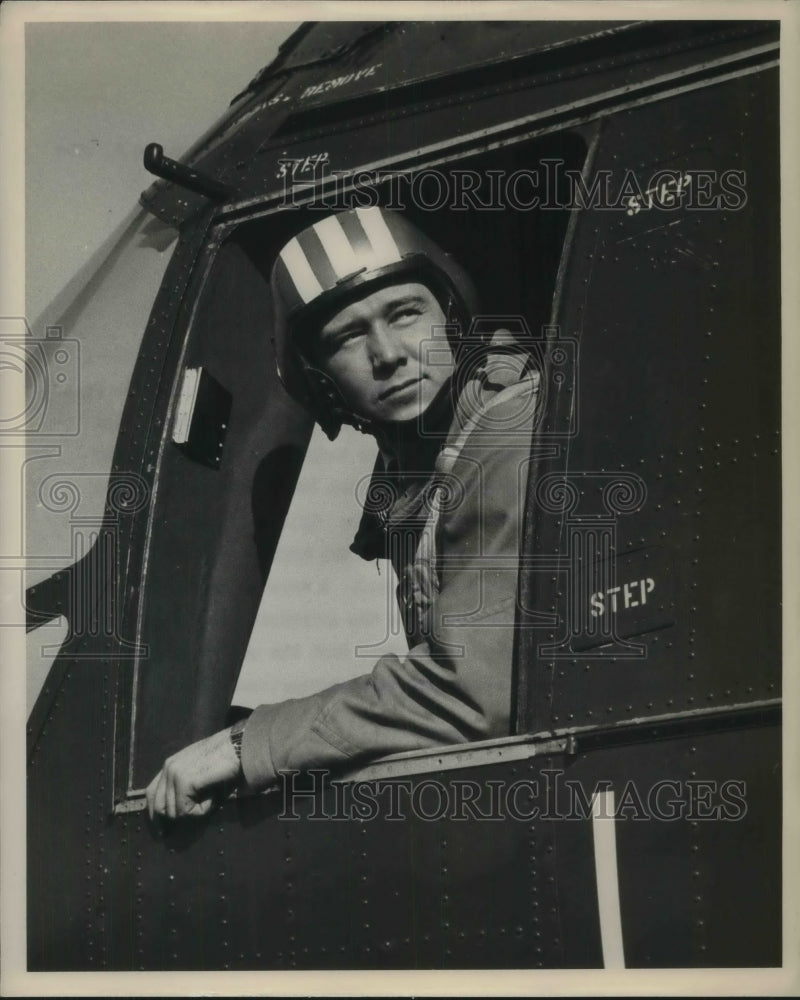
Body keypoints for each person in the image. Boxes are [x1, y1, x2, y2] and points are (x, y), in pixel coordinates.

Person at [146, 205, 540, 820]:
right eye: (346, 338)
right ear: (320, 382)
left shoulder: (509, 438)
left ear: (453, 317)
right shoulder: (431, 467)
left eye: (406, 314)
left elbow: (469, 696)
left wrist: (252, 744)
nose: (386, 354)